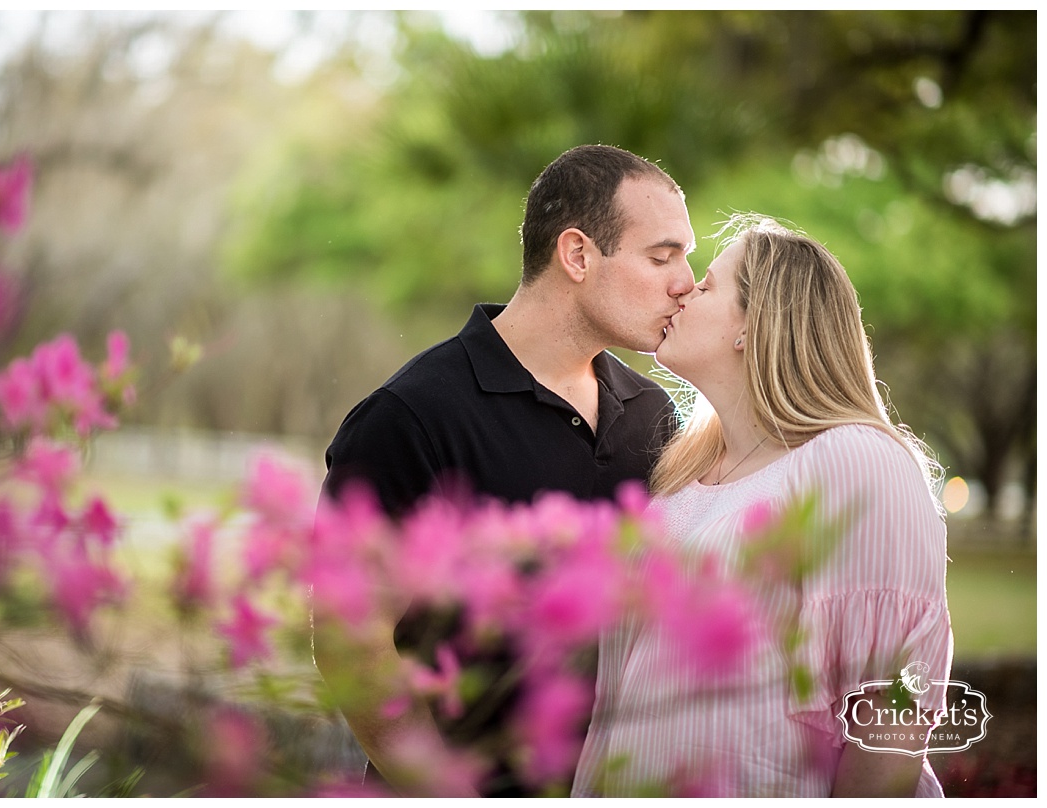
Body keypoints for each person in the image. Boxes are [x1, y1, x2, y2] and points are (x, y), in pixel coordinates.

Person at [312, 144, 697, 796]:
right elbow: (350, 636)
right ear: (577, 255)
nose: (686, 281)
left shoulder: (653, 416)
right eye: (662, 257)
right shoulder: (412, 414)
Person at [572, 215, 954, 797]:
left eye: (707, 285)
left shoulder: (857, 461)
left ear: (754, 325)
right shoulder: (680, 482)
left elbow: (891, 710)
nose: (682, 289)